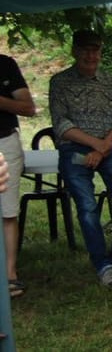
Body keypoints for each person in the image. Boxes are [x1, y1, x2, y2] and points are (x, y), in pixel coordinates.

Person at [49, 30, 112, 289]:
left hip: (105, 149)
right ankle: (102, 264)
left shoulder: (110, 82)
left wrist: (102, 148)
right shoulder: (60, 82)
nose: (91, 55)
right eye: (85, 49)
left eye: (96, 49)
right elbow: (61, 124)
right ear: (74, 51)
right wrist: (95, 145)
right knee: (88, 206)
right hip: (74, 150)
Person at [0, 54, 35, 297]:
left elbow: (28, 108)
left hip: (4, 142)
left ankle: (10, 276)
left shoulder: (5, 64)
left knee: (7, 211)